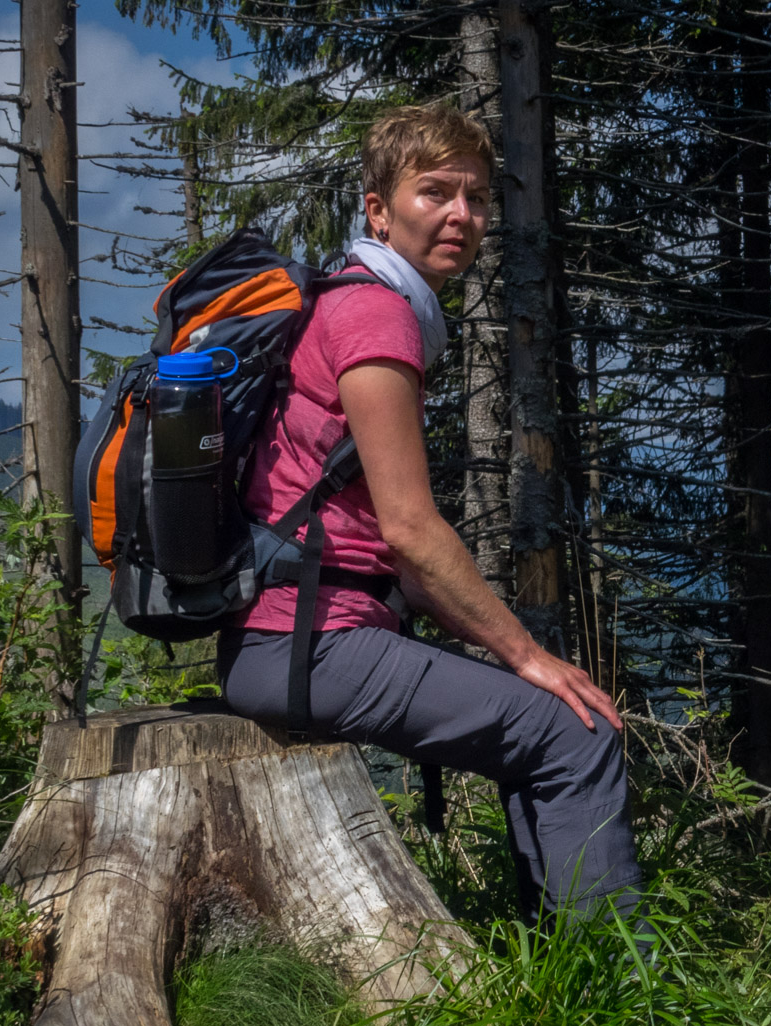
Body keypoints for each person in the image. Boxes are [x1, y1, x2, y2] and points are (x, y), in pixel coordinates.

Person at [217, 103, 642, 927]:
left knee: (548, 733)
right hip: (309, 644)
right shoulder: (375, 314)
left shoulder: (350, 298)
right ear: (378, 208)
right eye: (435, 192)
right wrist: (526, 656)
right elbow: (410, 530)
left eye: (476, 198)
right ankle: (628, 1010)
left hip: (288, 637)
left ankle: (562, 983)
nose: (461, 215)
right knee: (576, 732)